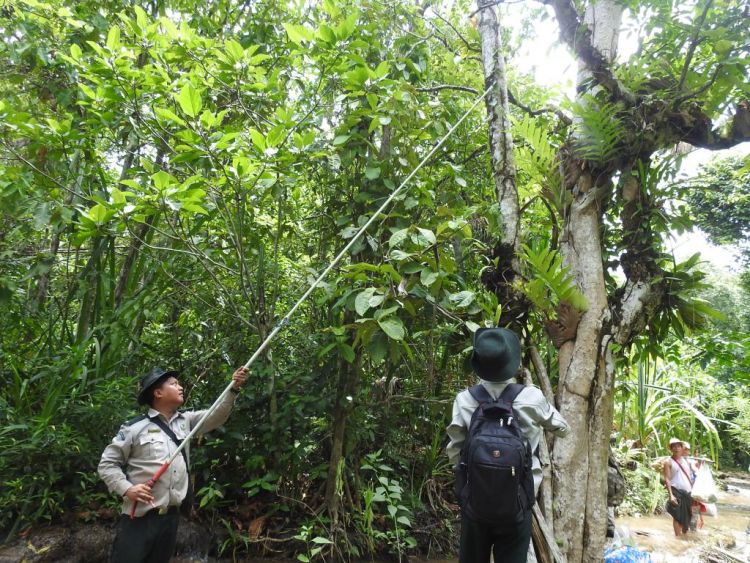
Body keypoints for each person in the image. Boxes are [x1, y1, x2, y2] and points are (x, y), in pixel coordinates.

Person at [99, 366, 248, 563]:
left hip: (170, 518)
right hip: (139, 518)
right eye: (173, 384)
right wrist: (128, 489)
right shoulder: (134, 428)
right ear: (158, 393)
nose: (180, 387)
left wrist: (234, 388)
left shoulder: (186, 421)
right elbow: (107, 464)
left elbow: (216, 415)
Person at [446, 327, 570, 563]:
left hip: (476, 504)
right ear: (512, 361)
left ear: (479, 362)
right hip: (518, 503)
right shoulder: (531, 398)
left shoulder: (464, 400)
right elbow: (563, 429)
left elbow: (455, 451)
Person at [663, 437, 693, 537]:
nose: (676, 449)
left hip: (688, 493)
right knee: (677, 516)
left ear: (682, 448)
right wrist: (671, 495)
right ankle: (678, 538)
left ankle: (683, 536)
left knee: (687, 516)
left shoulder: (687, 461)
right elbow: (667, 478)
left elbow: (690, 476)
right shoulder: (668, 462)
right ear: (671, 449)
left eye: (678, 446)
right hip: (676, 492)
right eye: (674, 447)